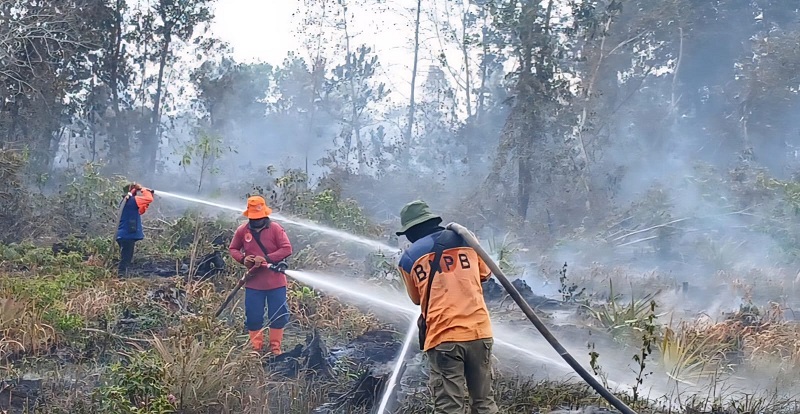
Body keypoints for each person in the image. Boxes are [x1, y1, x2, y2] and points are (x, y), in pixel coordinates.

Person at [396, 200, 499, 414]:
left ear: (410, 231)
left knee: (450, 407)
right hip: (479, 332)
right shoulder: (467, 241)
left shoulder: (408, 258)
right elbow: (485, 274)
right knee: (484, 402)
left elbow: (416, 299)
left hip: (444, 337)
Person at [228, 196, 292, 355]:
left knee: (278, 315)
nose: (256, 221)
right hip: (253, 283)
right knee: (254, 317)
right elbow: (233, 249)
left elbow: (286, 249)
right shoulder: (243, 230)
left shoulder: (276, 229)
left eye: (259, 217)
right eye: (253, 218)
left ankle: (275, 349)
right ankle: (256, 350)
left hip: (275, 282)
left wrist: (266, 259)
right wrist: (244, 259)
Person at [116, 183, 154, 276]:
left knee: (126, 257)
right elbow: (149, 198)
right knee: (126, 258)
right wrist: (144, 190)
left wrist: (147, 197)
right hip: (127, 235)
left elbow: (141, 210)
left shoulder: (128, 202)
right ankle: (121, 277)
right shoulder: (132, 201)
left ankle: (123, 275)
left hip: (124, 234)